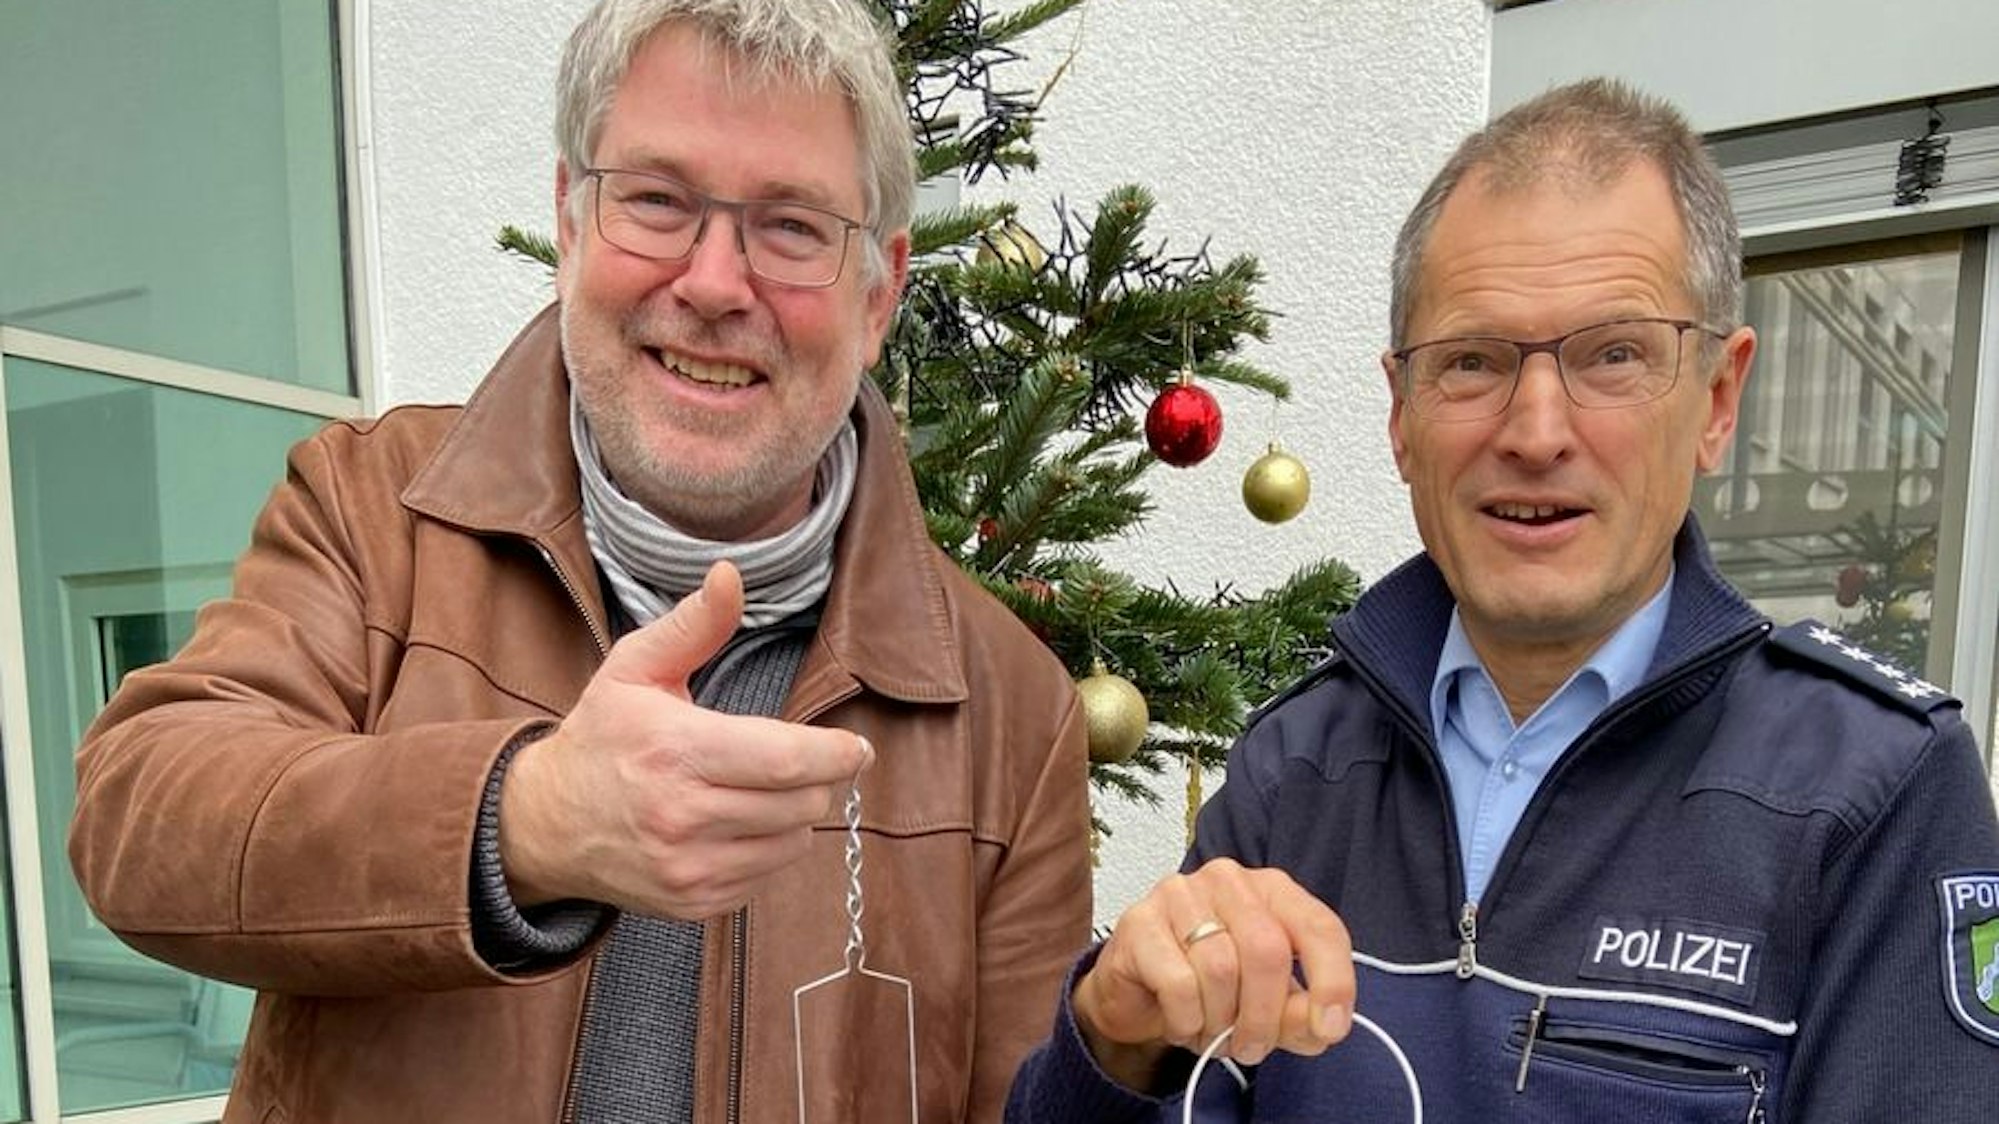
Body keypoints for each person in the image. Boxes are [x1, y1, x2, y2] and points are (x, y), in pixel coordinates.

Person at [67, 1, 1093, 1121]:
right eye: (655, 200)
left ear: (879, 293)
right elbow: (140, 815)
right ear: (569, 221)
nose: (712, 282)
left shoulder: (1011, 711)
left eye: (792, 226)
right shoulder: (377, 510)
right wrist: (525, 817)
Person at [1007, 78, 1999, 1122]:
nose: (1534, 431)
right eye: (1472, 362)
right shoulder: (1297, 763)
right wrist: (1114, 1040)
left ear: (1716, 400)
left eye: (1612, 355)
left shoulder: (1873, 791)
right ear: (1400, 414)